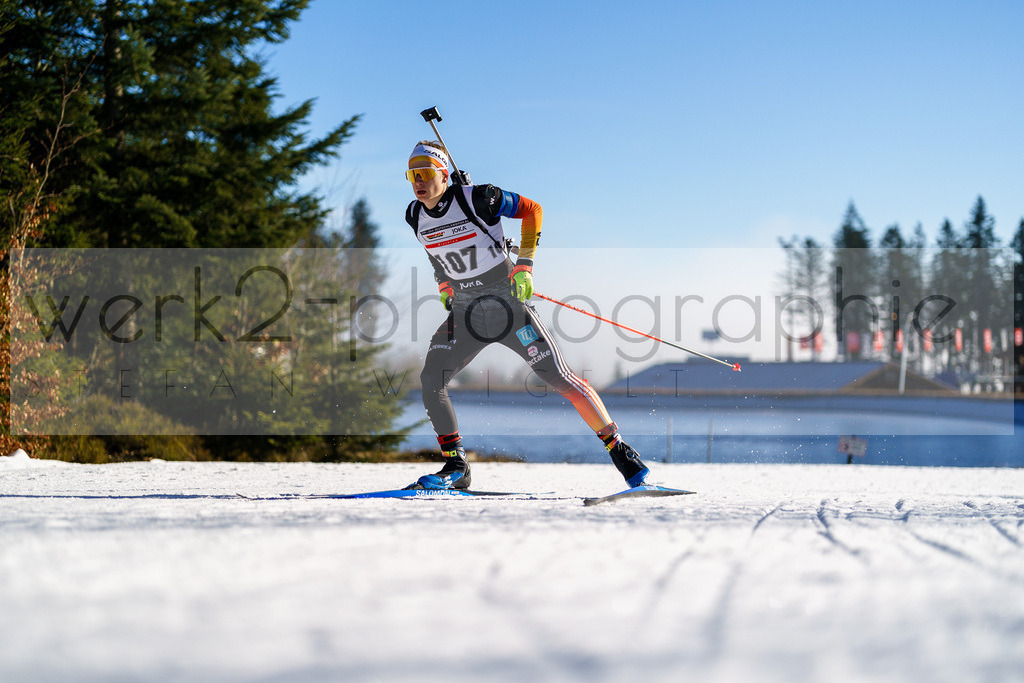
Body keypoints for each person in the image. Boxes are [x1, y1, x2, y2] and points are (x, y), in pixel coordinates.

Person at [404, 141, 650, 490]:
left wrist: (525, 265)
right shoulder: (414, 215)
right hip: (466, 313)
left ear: (444, 175)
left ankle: (621, 451)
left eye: (426, 173)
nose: (419, 181)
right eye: (412, 174)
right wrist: (444, 282)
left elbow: (532, 209)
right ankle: (456, 466)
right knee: (432, 379)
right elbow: (436, 251)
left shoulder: (480, 198)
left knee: (559, 377)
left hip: (507, 309)